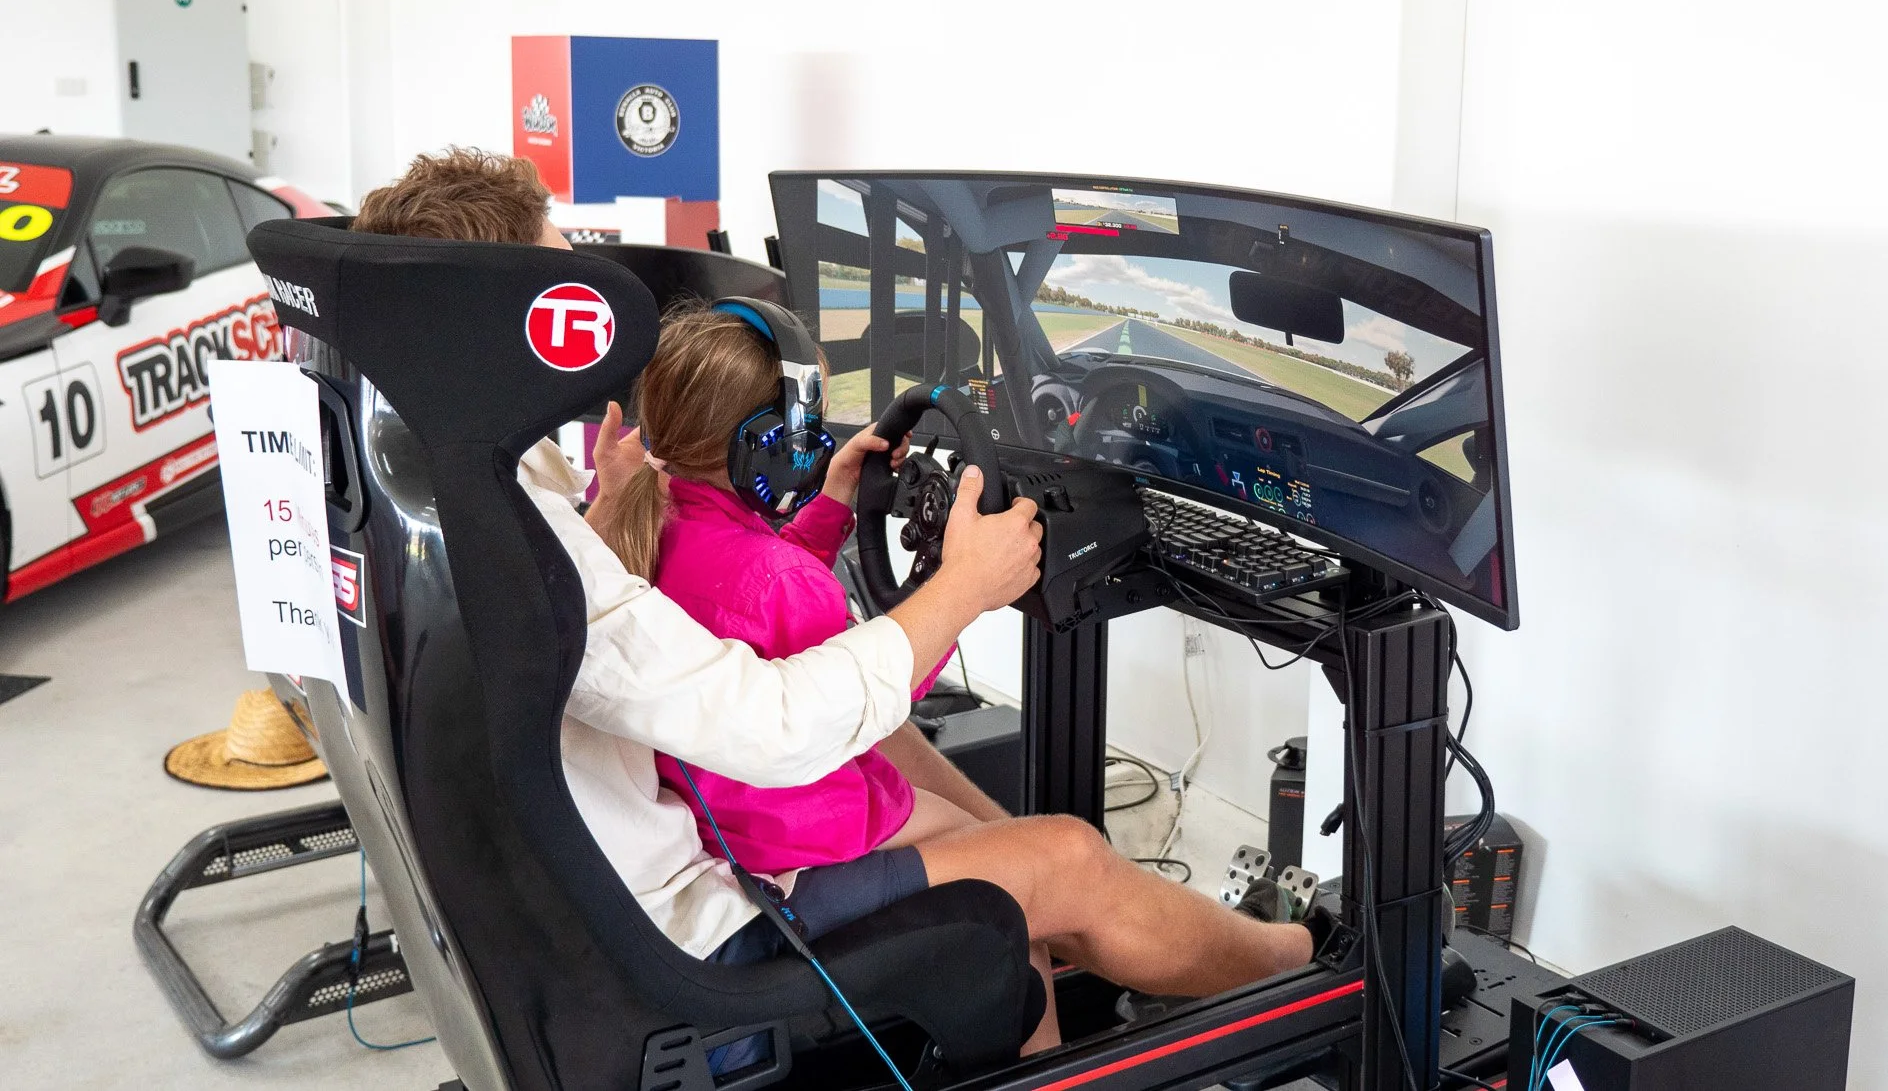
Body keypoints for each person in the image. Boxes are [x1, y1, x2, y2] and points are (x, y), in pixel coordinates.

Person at [352, 148, 1319, 1058]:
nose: (587, 302)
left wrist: (821, 517)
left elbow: (734, 621)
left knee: (959, 800)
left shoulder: (506, 487)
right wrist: (962, 590)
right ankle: (1302, 965)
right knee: (1061, 851)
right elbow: (786, 722)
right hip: (726, 912)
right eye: (561, 278)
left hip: (700, 839)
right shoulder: (534, 535)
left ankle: (1085, 924)